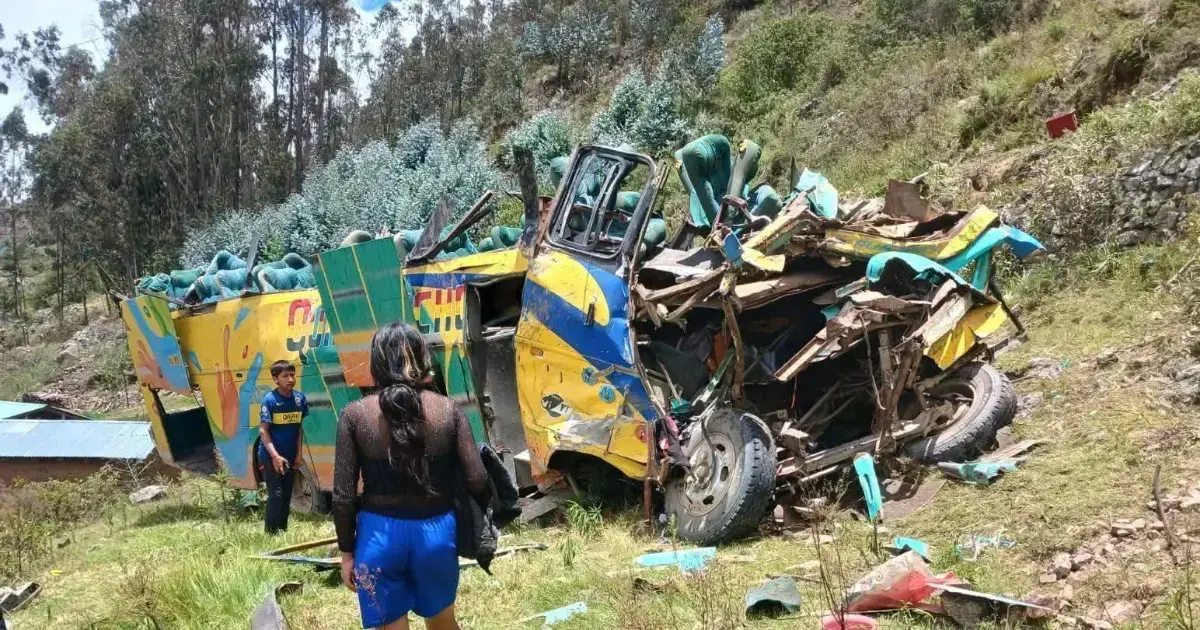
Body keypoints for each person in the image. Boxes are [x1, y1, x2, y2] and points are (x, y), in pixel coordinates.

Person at [334, 322, 488, 630]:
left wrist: (346, 553)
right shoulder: (448, 410)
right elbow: (477, 478)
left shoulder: (354, 415)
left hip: (378, 537)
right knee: (444, 623)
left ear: (376, 363)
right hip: (437, 533)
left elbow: (343, 497)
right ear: (422, 359)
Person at [258, 359, 309, 534]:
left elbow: (299, 429)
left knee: (287, 495)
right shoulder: (270, 400)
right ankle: (270, 534)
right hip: (271, 455)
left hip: (290, 454)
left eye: (292, 375)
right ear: (275, 379)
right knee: (276, 495)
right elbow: (263, 431)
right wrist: (274, 456)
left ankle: (282, 531)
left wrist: (299, 454)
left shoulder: (299, 399)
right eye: (285, 376)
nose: (290, 379)